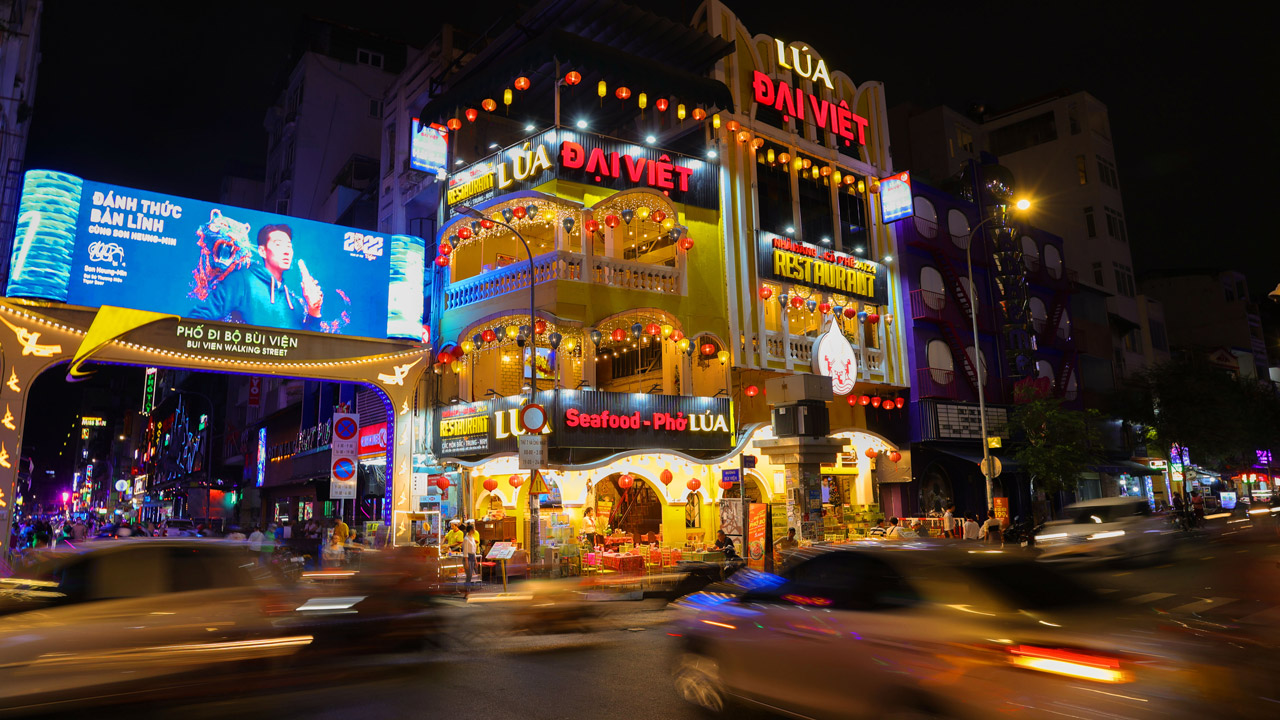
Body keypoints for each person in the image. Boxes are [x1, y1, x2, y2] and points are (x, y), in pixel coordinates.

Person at [189, 223, 325, 330]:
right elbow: (196, 320)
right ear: (262, 251)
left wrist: (314, 310)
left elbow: (306, 350)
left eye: (289, 246)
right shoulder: (241, 282)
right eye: (278, 245)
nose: (286, 251)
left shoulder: (295, 304)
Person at [462, 522, 479, 586]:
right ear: (470, 530)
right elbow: (465, 551)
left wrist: (475, 560)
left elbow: (474, 550)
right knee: (468, 574)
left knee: (471, 573)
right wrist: (466, 561)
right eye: (473, 529)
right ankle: (467, 587)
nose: (474, 530)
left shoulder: (472, 538)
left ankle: (467, 587)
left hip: (472, 557)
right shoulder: (466, 539)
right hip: (468, 557)